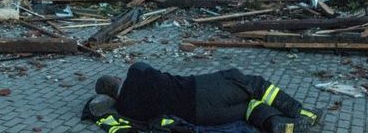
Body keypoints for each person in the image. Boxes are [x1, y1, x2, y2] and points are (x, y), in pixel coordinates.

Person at [82, 61, 323, 133]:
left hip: (200, 117)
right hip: (201, 89)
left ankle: (277, 124)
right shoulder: (135, 72)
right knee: (253, 84)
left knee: (247, 109)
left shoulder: (126, 109)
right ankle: (302, 112)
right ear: (115, 81)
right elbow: (144, 65)